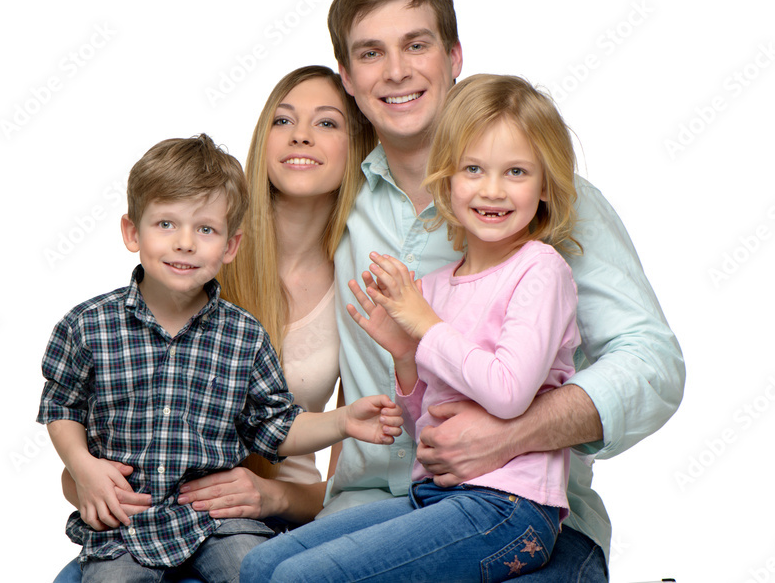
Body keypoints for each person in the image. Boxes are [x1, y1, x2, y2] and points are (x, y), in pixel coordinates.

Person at [316, 0, 685, 581]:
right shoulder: (330, 202)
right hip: (375, 506)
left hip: (528, 512)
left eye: (417, 44)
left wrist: (516, 433)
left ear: (454, 56)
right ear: (348, 79)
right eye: (371, 53)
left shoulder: (548, 200)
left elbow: (652, 362)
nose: (398, 70)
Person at [243, 73, 581, 582]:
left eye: (515, 172)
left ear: (545, 185)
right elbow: (424, 419)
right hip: (439, 496)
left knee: (299, 579)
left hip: (512, 506)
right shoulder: (439, 284)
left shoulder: (540, 269)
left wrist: (426, 327)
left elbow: (508, 394)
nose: (492, 190)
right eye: (473, 170)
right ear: (445, 181)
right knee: (263, 564)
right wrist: (405, 356)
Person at [51, 66, 376, 583]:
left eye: (328, 123)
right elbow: (74, 416)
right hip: (133, 521)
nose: (301, 135)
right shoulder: (183, 265)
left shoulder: (364, 283)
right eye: (283, 119)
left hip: (259, 521)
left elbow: (337, 485)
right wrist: (87, 479)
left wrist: (270, 493)